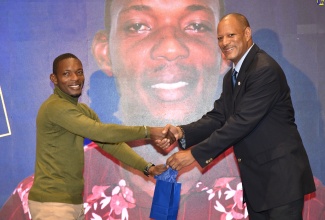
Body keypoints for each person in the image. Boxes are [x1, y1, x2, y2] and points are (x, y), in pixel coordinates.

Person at [88, 0, 247, 219]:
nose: (171, 48)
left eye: (197, 26)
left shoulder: (283, 194)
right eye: (137, 26)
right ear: (106, 54)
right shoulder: (46, 200)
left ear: (223, 52)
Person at [158, 13, 316, 220]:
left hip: (281, 181)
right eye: (220, 38)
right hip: (259, 184)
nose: (224, 42)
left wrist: (193, 155)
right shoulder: (232, 76)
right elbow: (218, 117)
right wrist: (181, 132)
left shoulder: (263, 70)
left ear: (247, 33)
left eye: (231, 35)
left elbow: (241, 123)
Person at [27, 53, 171, 220]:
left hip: (71, 203)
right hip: (52, 205)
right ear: (54, 78)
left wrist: (147, 167)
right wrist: (147, 131)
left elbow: (110, 143)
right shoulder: (55, 107)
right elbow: (102, 132)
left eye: (79, 72)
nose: (75, 78)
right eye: (66, 73)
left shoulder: (82, 111)